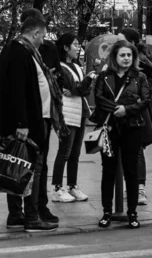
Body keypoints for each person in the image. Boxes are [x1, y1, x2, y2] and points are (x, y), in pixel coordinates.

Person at [0, 15, 61, 232]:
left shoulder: (23, 50)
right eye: (42, 36)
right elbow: (17, 90)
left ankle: (16, 215)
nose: (43, 41)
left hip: (32, 120)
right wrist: (21, 122)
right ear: (35, 33)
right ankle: (31, 217)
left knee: (18, 165)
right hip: (27, 124)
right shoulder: (19, 52)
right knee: (29, 168)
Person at [91, 40, 150, 229]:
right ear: (115, 57)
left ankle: (132, 212)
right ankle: (107, 212)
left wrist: (127, 109)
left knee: (131, 171)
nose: (126, 58)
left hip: (132, 127)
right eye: (122, 55)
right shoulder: (104, 76)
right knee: (108, 170)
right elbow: (98, 98)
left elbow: (146, 100)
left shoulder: (139, 77)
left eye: (129, 55)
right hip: (109, 128)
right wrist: (117, 108)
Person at [51, 33, 96, 203]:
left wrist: (81, 86)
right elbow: (74, 86)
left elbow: (84, 90)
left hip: (80, 112)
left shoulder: (77, 67)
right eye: (75, 45)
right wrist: (84, 83)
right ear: (65, 48)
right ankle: (57, 188)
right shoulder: (60, 67)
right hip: (67, 114)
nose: (78, 48)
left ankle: (72, 185)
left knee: (75, 153)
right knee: (64, 152)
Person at [117, 28, 152, 206]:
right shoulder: (115, 63)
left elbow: (147, 93)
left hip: (136, 114)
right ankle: (130, 186)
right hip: (119, 114)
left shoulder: (143, 66)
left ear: (131, 44)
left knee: (137, 150)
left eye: (121, 40)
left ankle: (139, 188)